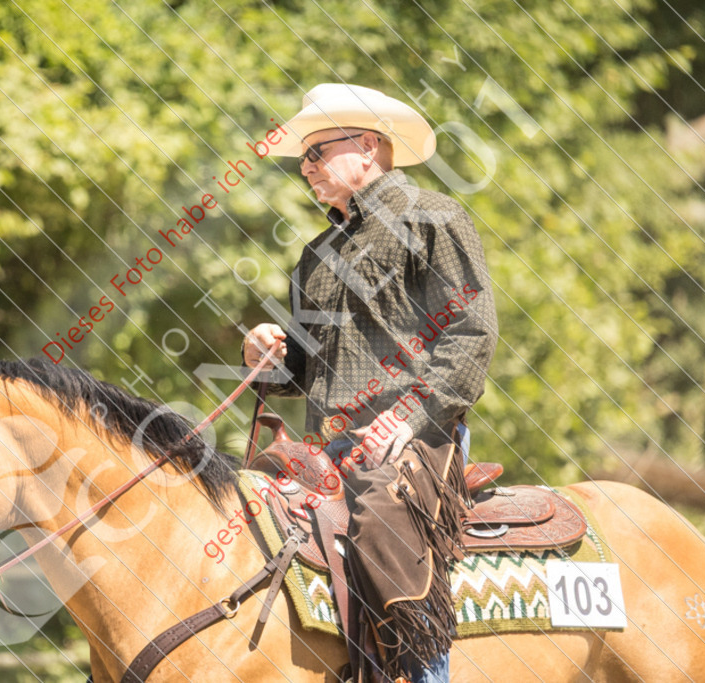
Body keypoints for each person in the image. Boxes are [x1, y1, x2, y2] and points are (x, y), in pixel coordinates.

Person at [242, 84, 498, 682]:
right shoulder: (315, 254)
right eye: (302, 158)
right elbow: (299, 371)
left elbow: (471, 332)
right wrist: (263, 354)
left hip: (416, 441)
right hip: (325, 448)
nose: (305, 168)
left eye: (316, 152)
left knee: (385, 530)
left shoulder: (435, 217)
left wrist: (405, 420)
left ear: (367, 146)